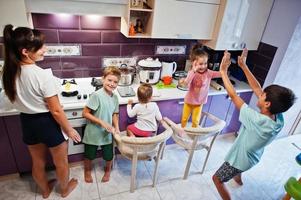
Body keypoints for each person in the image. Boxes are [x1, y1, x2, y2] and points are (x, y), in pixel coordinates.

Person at [2, 24, 81, 198]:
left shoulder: (9, 73)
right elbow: (56, 111)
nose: (45, 50)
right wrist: (69, 129)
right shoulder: (42, 75)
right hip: (47, 122)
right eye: (40, 48)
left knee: (37, 161)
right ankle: (65, 190)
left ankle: (45, 190)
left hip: (27, 122)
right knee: (61, 162)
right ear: (25, 51)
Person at [212, 49, 296, 200]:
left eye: (263, 95)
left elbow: (233, 95)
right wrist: (243, 66)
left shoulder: (257, 120)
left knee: (217, 180)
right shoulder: (278, 117)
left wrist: (223, 72)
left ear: (267, 103)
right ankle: (238, 178)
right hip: (253, 157)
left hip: (239, 160)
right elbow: (257, 88)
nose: (260, 93)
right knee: (241, 163)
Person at [82, 66, 121, 183]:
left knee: (109, 156)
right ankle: (87, 171)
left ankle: (108, 170)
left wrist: (117, 128)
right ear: (103, 79)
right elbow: (85, 113)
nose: (112, 84)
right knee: (89, 155)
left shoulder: (115, 97)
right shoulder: (97, 95)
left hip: (107, 133)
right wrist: (101, 122)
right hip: (93, 132)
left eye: (115, 82)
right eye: (109, 80)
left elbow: (115, 114)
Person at [179, 44, 221, 131]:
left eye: (205, 63)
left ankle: (194, 134)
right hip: (189, 101)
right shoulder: (192, 73)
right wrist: (193, 70)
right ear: (194, 63)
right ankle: (182, 131)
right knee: (184, 119)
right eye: (200, 64)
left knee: (196, 121)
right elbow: (186, 83)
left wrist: (224, 69)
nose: (203, 66)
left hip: (199, 103)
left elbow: (220, 74)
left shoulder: (208, 73)